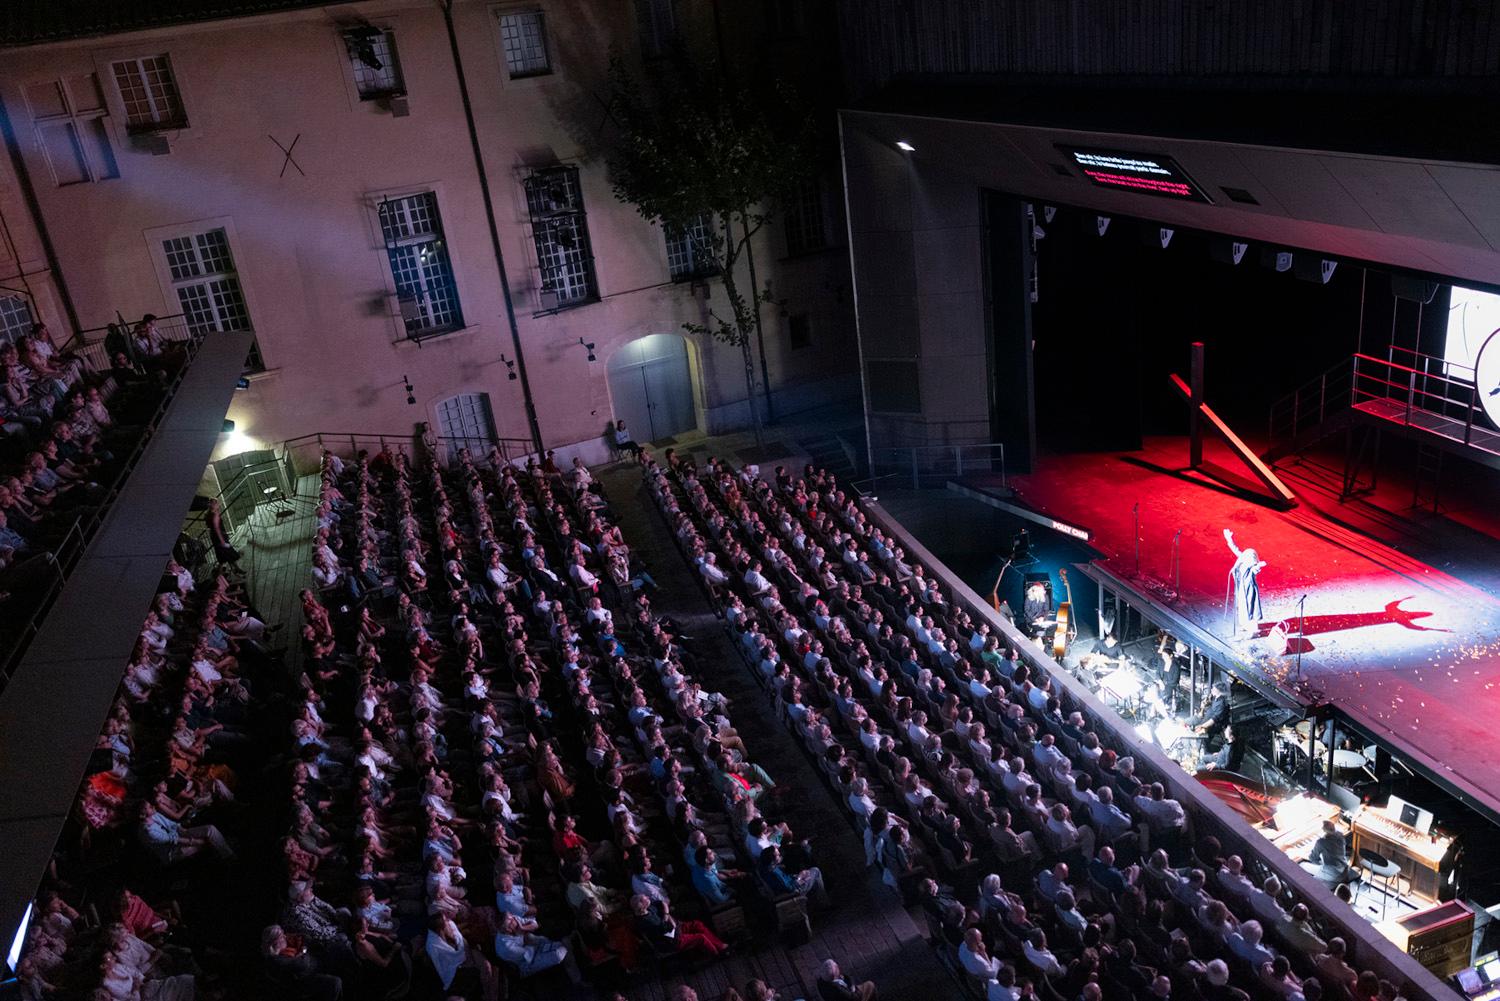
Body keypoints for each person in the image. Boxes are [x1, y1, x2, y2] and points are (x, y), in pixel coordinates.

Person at [493, 913, 569, 977]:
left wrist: (523, 928)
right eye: (512, 924)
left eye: (513, 917)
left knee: (534, 938)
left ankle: (566, 950)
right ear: (508, 930)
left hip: (527, 946)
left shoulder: (512, 919)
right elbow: (529, 955)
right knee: (557, 955)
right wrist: (525, 937)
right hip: (524, 963)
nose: (515, 920)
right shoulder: (506, 947)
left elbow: (535, 924)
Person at [1223, 529, 1266, 632]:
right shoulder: (1243, 559)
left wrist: (1259, 565)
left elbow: (1255, 569)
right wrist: (1229, 539)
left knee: (1251, 606)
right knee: (1243, 605)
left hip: (1249, 588)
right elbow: (1236, 550)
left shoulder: (1251, 565)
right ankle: (1246, 624)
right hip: (1241, 588)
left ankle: (1253, 627)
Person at [1307, 820, 1358, 889]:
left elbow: (1312, 858)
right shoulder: (1340, 834)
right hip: (1344, 869)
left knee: (1303, 865)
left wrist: (1320, 861)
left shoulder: (1321, 842)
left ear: (1323, 830)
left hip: (1334, 875)